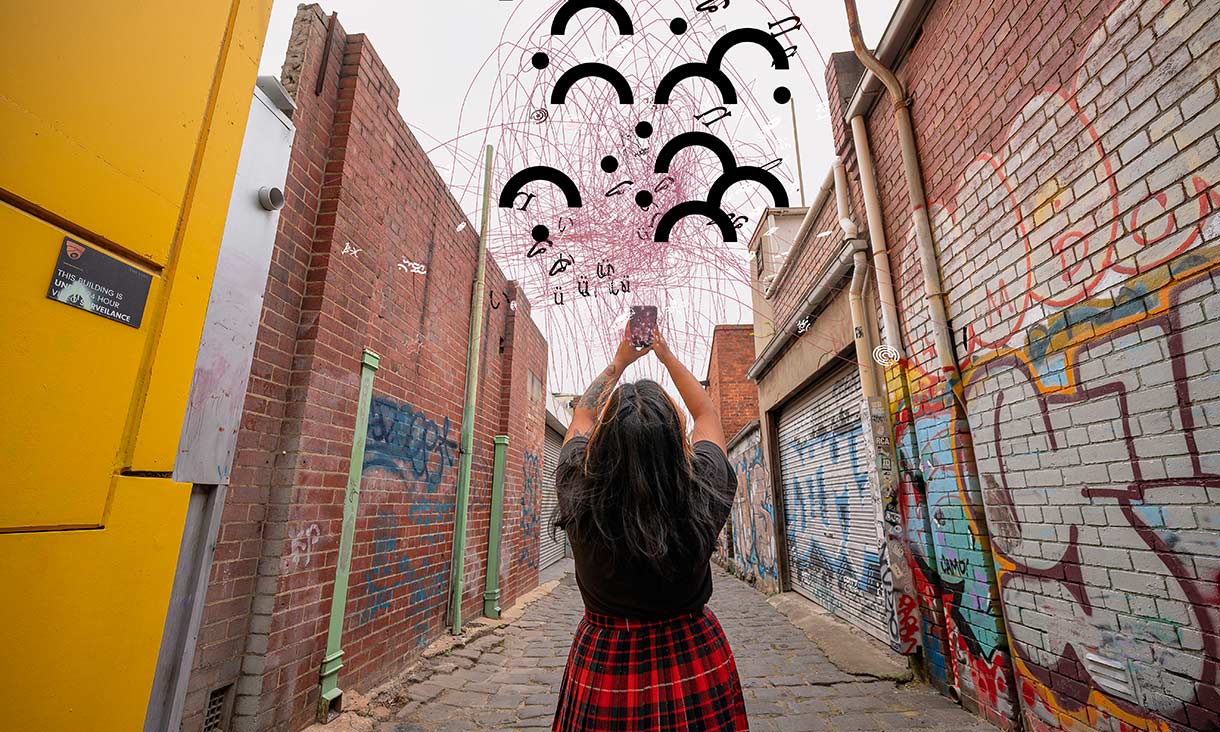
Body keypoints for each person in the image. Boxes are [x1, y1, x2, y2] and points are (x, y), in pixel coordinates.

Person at [550, 322, 748, 731]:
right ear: (676, 442)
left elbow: (584, 412)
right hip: (693, 656)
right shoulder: (703, 489)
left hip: (605, 661)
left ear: (602, 444)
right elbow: (706, 413)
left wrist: (621, 360)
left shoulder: (578, 487)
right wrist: (665, 353)